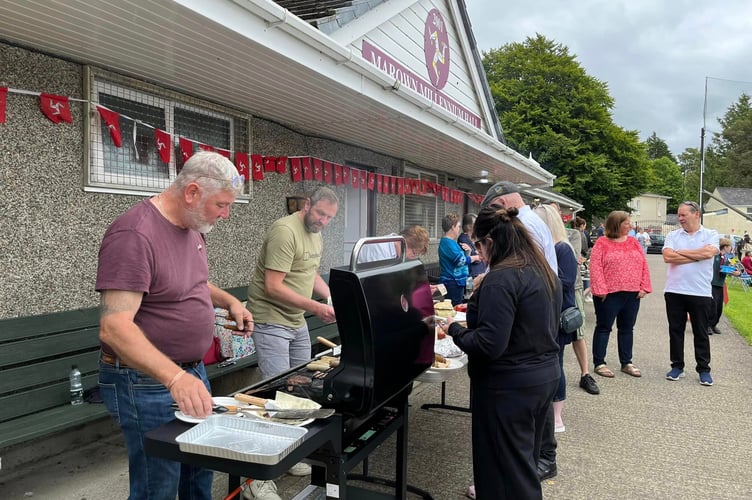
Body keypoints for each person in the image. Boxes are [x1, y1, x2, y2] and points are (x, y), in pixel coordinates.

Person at [96, 151, 254, 500]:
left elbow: (191, 282)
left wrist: (229, 301)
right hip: (147, 382)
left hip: (190, 372)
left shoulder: (193, 226)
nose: (226, 215)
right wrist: (174, 377)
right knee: (159, 486)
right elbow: (114, 326)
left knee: (199, 472)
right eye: (222, 205)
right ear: (192, 192)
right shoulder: (134, 234)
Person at [438, 205, 561, 500]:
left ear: (489, 242)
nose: (479, 254)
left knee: (503, 471)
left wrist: (455, 329)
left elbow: (490, 344)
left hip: (508, 387)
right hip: (543, 376)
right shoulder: (542, 270)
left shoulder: (501, 279)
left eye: (478, 245)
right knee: (523, 462)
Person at [246, 186, 338, 497]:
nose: (323, 221)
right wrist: (316, 308)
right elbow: (273, 286)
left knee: (298, 390)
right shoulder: (285, 231)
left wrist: (329, 296)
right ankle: (254, 479)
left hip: (296, 321)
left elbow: (309, 273)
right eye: (320, 213)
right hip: (271, 319)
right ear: (307, 204)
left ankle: (286, 456)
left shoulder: (316, 233)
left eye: (329, 217)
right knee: (274, 395)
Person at [480, 181, 558, 484]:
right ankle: (540, 457)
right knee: (537, 403)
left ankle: (542, 458)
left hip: (529, 321)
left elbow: (491, 343)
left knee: (525, 425)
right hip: (540, 308)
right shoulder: (529, 222)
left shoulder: (523, 225)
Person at [534, 204, 589, 434]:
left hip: (559, 315)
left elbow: (565, 282)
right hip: (550, 312)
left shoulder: (563, 248)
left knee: (556, 364)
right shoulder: (551, 247)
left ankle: (557, 416)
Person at [588, 211, 652, 380]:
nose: (630, 226)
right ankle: (599, 363)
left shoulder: (633, 242)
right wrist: (600, 290)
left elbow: (644, 264)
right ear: (616, 224)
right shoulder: (602, 243)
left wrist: (644, 286)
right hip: (608, 295)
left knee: (627, 328)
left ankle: (626, 362)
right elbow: (595, 268)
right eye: (626, 223)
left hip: (632, 293)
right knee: (604, 327)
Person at [663, 201, 719, 386]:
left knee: (700, 332)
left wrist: (680, 253)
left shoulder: (711, 234)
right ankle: (677, 366)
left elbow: (709, 254)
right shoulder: (673, 235)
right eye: (679, 215)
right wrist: (697, 255)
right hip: (674, 290)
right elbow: (668, 257)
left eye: (683, 215)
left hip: (700, 291)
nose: (680, 219)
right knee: (676, 330)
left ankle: (704, 369)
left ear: (696, 214)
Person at [546, 206, 600, 398]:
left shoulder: (571, 236)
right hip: (553, 297)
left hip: (572, 290)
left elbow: (575, 261)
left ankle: (585, 373)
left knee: (577, 331)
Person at [439, 213, 481, 305]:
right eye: (458, 226)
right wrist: (475, 257)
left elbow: (461, 258)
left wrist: (468, 252)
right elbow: (460, 261)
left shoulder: (451, 242)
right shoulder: (447, 243)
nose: (459, 229)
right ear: (453, 227)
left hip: (458, 281)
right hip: (452, 282)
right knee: (455, 305)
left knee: (458, 304)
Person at [709, 238, 739, 335]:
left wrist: (737, 273)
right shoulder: (715, 255)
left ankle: (714, 324)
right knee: (712, 306)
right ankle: (707, 325)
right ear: (725, 247)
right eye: (730, 246)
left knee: (719, 307)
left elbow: (737, 268)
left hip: (721, 284)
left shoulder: (731, 257)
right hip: (713, 283)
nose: (731, 248)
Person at [357, 225, 429, 263]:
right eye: (414, 252)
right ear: (404, 242)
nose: (413, 257)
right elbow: (379, 280)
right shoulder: (379, 248)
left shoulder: (398, 252)